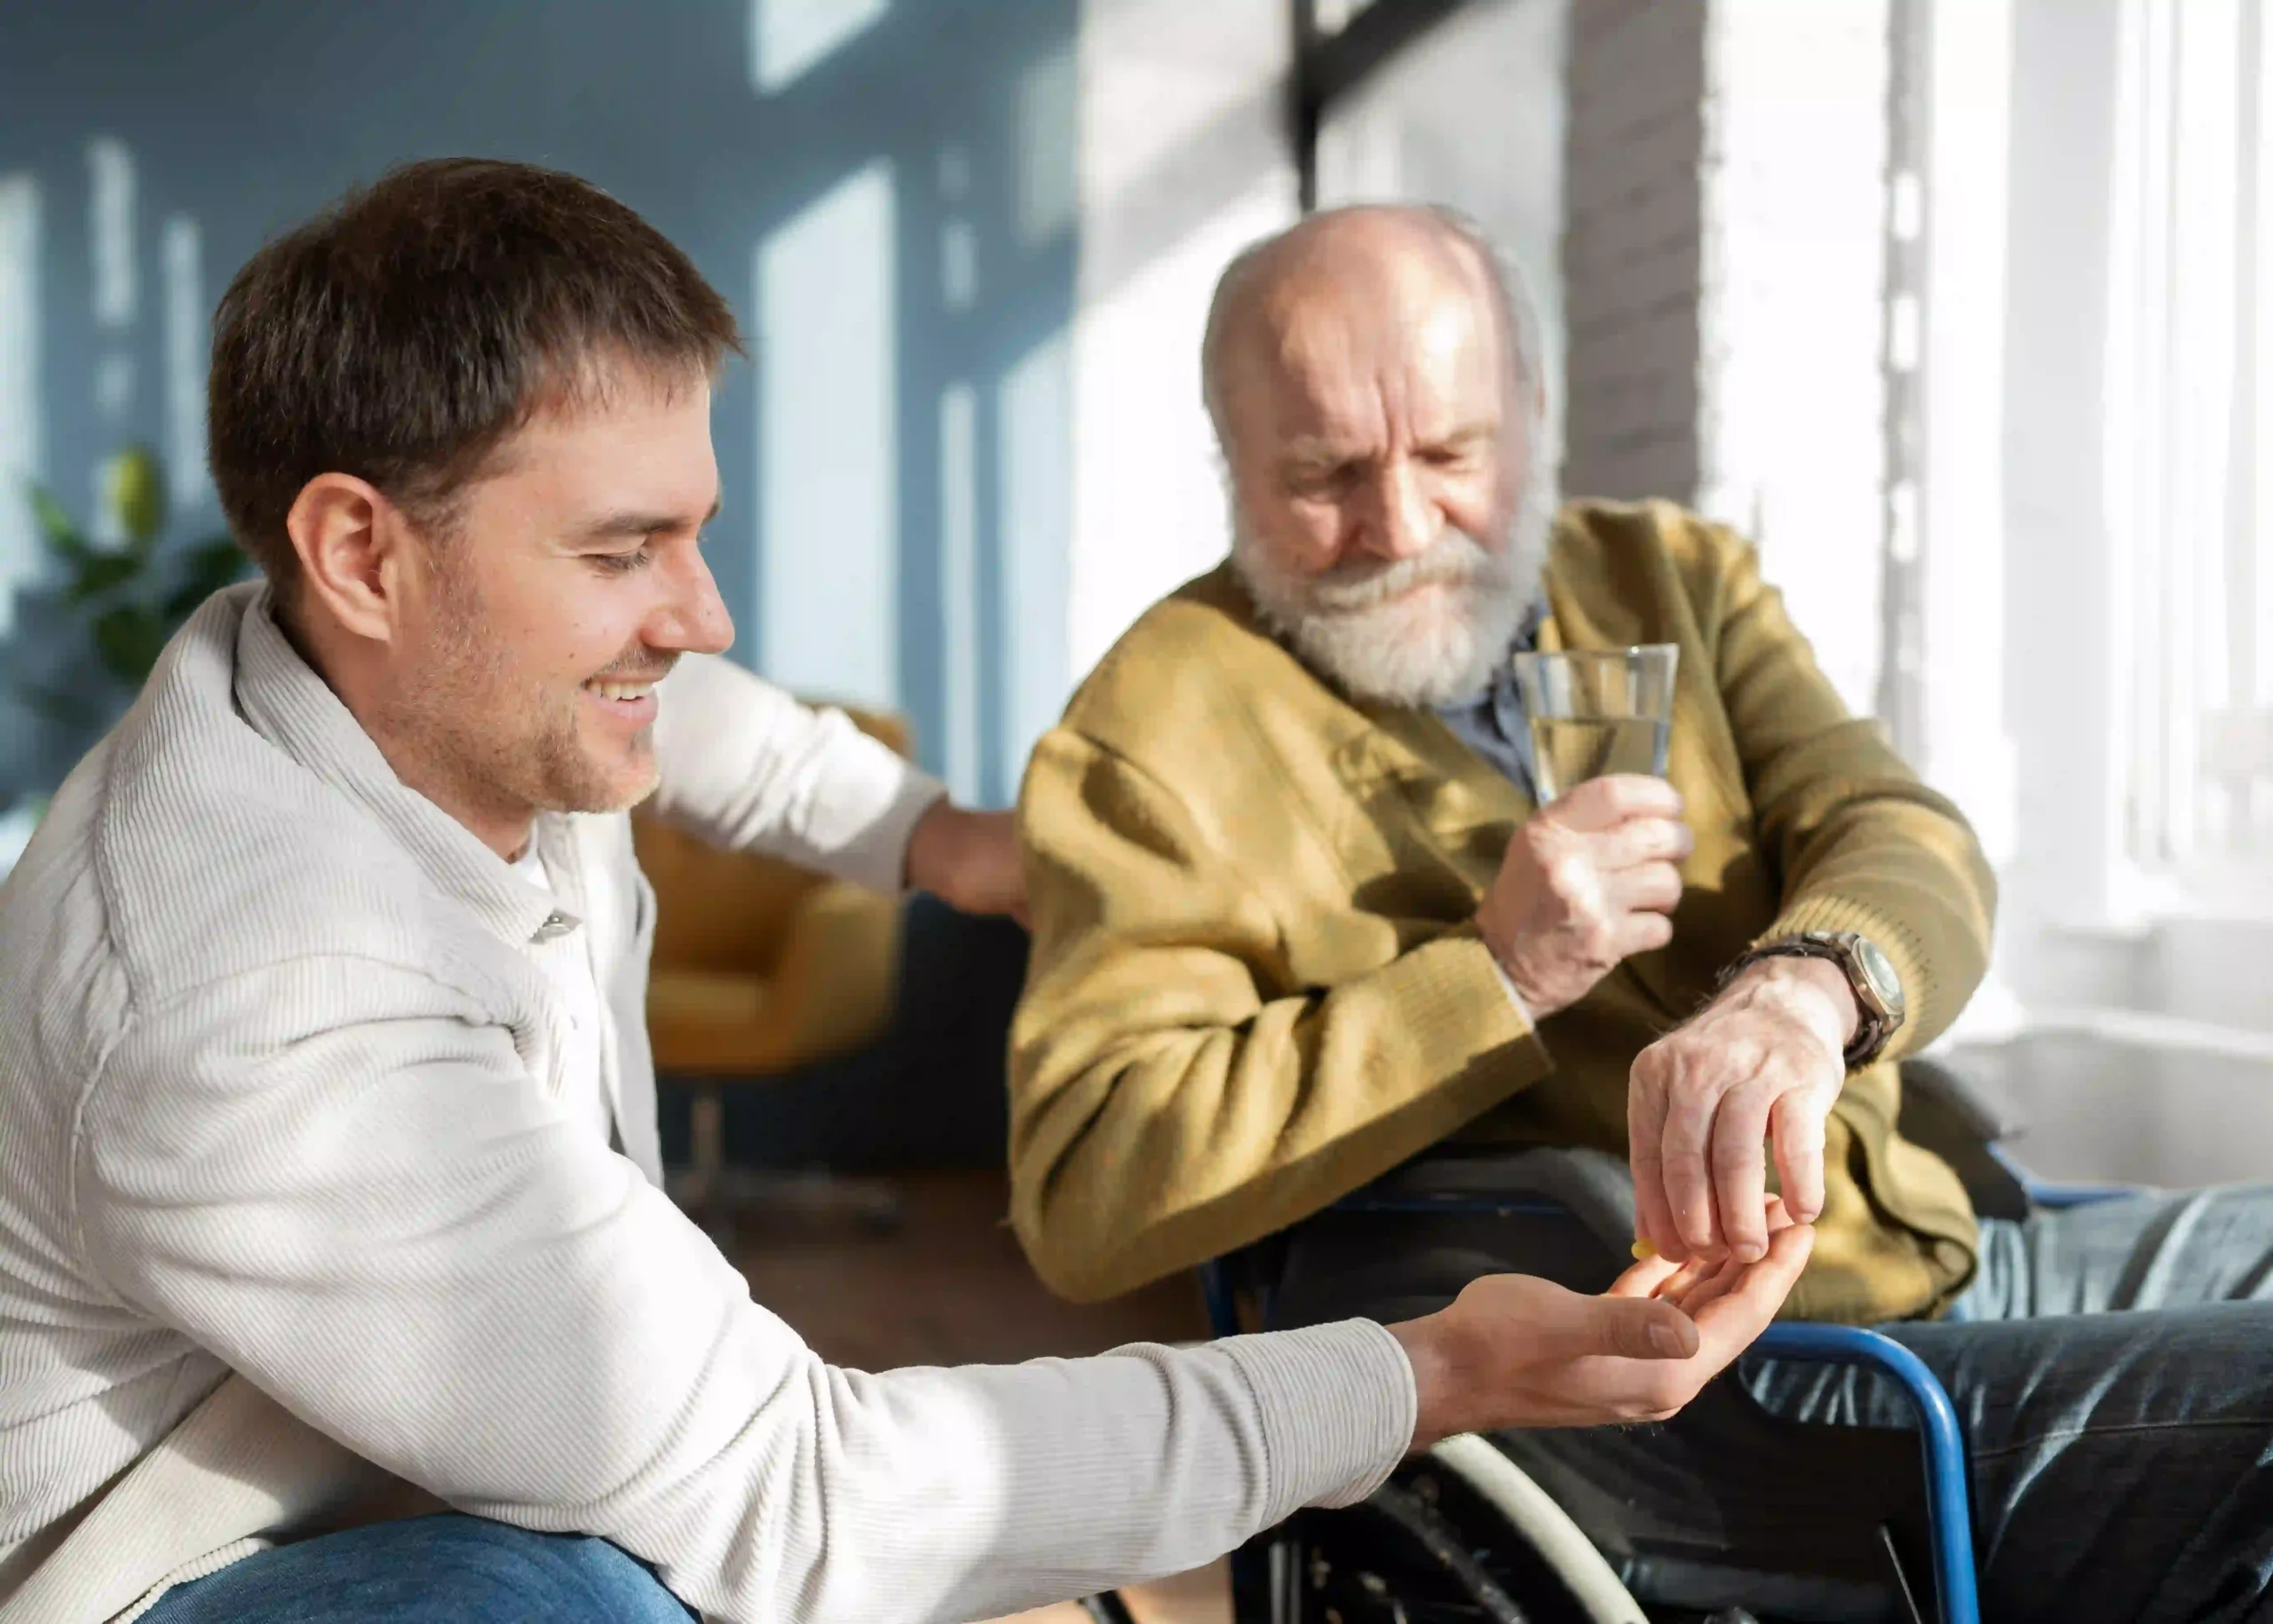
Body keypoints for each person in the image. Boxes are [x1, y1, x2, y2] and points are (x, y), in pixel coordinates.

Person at [0, 162, 1812, 1624]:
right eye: (623, 550)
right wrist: (1423, 1373)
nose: (700, 611)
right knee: (583, 1594)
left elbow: (709, 721)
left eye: (690, 528)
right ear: (358, 549)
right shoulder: (264, 1000)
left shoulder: (401, 680)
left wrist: (945, 839)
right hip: (186, 1571)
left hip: (414, 1432)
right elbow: (801, 1492)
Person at [1008, 202, 2273, 1620]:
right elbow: (1087, 1192)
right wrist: (1489, 977)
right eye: (1323, 475)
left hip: (1930, 1232)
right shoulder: (1152, 732)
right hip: (1708, 1401)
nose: (1401, 526)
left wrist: (1805, 992)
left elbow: (1900, 830)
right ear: (1229, 463)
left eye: (1451, 454)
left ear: (1536, 416)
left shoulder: (1676, 576)